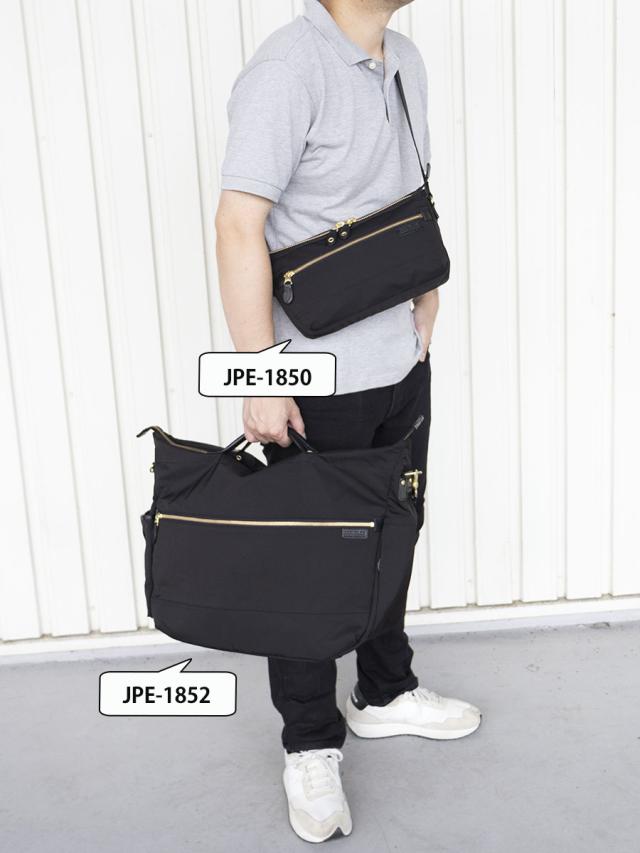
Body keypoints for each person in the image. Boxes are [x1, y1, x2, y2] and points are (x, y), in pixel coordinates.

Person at [215, 0, 481, 842]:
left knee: (395, 528)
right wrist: (261, 373)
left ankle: (385, 689)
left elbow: (405, 199)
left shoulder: (404, 59)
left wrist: (427, 301)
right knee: (308, 565)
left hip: (399, 360)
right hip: (313, 379)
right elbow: (237, 224)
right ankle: (308, 741)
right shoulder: (288, 69)